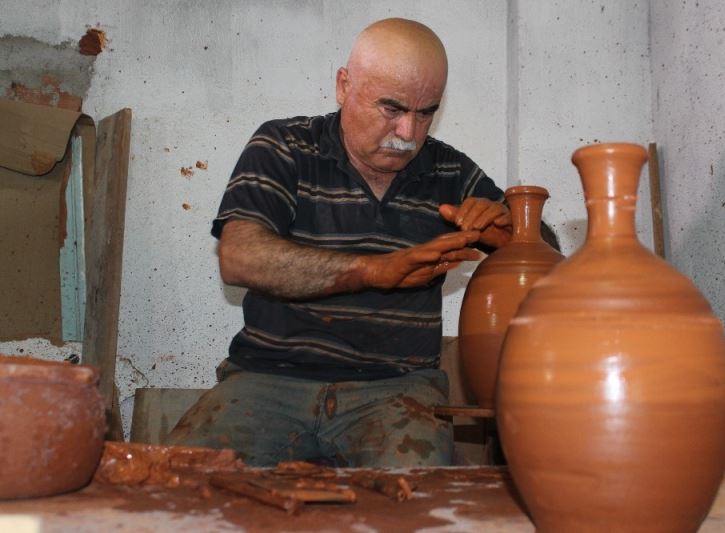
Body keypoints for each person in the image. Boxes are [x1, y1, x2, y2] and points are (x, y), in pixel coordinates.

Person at [167, 18, 555, 467]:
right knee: (178, 489)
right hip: (267, 379)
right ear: (343, 85)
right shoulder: (284, 147)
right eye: (392, 108)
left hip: (397, 390)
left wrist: (509, 230)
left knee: (420, 503)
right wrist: (374, 271)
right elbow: (239, 257)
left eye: (425, 112)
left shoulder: (449, 172)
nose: (409, 133)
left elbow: (546, 261)